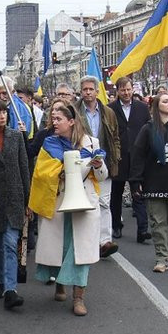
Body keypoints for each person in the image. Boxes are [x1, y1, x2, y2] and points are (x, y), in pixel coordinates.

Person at [29, 103, 107, 316]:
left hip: (85, 203)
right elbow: (41, 174)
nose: (54, 122)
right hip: (59, 202)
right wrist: (60, 172)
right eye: (52, 119)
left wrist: (99, 165)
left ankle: (79, 298)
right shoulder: (49, 143)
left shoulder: (92, 143)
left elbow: (101, 176)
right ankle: (59, 284)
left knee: (80, 250)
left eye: (58, 119)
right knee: (60, 247)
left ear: (71, 121)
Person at [130, 93, 168, 273]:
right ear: (156, 106)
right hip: (154, 182)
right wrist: (136, 182)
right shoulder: (148, 129)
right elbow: (138, 156)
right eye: (165, 101)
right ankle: (161, 257)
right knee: (158, 222)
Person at [0, 99, 30, 310]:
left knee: (11, 243)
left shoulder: (16, 136)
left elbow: (24, 168)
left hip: (14, 197)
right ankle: (1, 280)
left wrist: (28, 200)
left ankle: (11, 289)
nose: (2, 116)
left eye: (4, 112)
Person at [76, 76, 121, 257]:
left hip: (103, 163)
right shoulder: (74, 111)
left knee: (104, 202)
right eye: (85, 89)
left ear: (97, 91)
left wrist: (115, 156)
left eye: (91, 89)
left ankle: (105, 242)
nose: (88, 92)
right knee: (84, 203)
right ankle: (85, 240)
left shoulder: (107, 112)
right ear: (81, 91)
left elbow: (115, 137)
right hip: (81, 163)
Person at [108, 76, 151, 244]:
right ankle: (116, 225)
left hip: (138, 156)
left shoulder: (142, 108)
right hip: (118, 157)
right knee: (116, 194)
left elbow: (148, 128)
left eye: (128, 89)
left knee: (138, 192)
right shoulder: (110, 109)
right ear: (117, 91)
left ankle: (143, 229)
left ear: (133, 89)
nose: (126, 93)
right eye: (122, 90)